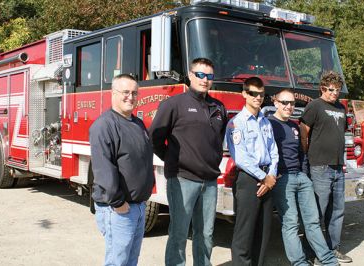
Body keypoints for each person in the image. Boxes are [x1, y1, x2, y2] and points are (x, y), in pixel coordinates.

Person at [149, 58, 227, 266]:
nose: (204, 80)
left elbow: (218, 141)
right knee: (179, 233)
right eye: (200, 75)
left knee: (206, 235)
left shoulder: (219, 108)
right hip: (182, 179)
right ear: (190, 75)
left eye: (209, 76)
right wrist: (172, 159)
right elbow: (155, 138)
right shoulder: (173, 104)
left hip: (209, 182)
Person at [89, 74, 155, 266]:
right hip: (118, 209)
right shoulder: (104, 125)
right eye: (125, 92)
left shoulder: (137, 123)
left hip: (138, 206)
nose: (130, 97)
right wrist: (118, 203)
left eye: (134, 93)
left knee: (130, 261)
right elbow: (103, 169)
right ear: (113, 93)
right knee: (117, 261)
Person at [269, 89, 339, 266]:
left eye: (292, 103)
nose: (289, 106)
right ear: (276, 103)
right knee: (291, 223)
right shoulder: (268, 124)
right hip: (282, 179)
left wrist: (305, 174)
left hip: (301, 178)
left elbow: (302, 153)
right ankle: (300, 263)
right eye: (284, 102)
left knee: (313, 222)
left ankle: (328, 260)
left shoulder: (294, 126)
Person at [300, 71, 352, 263]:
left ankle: (332, 249)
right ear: (323, 88)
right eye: (331, 90)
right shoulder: (314, 106)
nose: (335, 93)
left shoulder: (340, 108)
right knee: (317, 213)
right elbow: (304, 132)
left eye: (338, 90)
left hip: (338, 167)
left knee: (337, 211)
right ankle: (310, 252)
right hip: (320, 167)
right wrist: (308, 155)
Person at [226, 77, 278, 266]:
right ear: (244, 94)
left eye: (261, 94)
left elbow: (274, 151)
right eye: (253, 93)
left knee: (263, 233)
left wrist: (271, 175)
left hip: (268, 179)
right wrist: (264, 177)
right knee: (244, 233)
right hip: (249, 180)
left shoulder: (265, 122)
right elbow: (241, 157)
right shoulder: (236, 123)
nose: (258, 97)